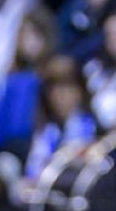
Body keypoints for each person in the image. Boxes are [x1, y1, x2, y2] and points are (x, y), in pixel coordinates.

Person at [24, 55, 97, 184]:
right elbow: (33, 171)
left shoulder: (93, 128)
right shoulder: (44, 130)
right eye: (53, 88)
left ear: (80, 91)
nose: (59, 95)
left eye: (67, 87)